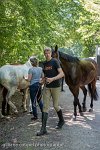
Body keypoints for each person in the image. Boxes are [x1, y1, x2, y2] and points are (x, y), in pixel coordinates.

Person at [37, 47, 65, 136]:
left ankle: (61, 120)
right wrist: (42, 80)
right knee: (45, 107)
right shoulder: (44, 64)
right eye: (45, 53)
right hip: (47, 87)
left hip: (56, 87)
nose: (47, 54)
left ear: (51, 53)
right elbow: (45, 76)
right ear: (44, 54)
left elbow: (62, 74)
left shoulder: (55, 61)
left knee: (55, 105)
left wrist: (52, 79)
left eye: (48, 53)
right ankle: (43, 129)